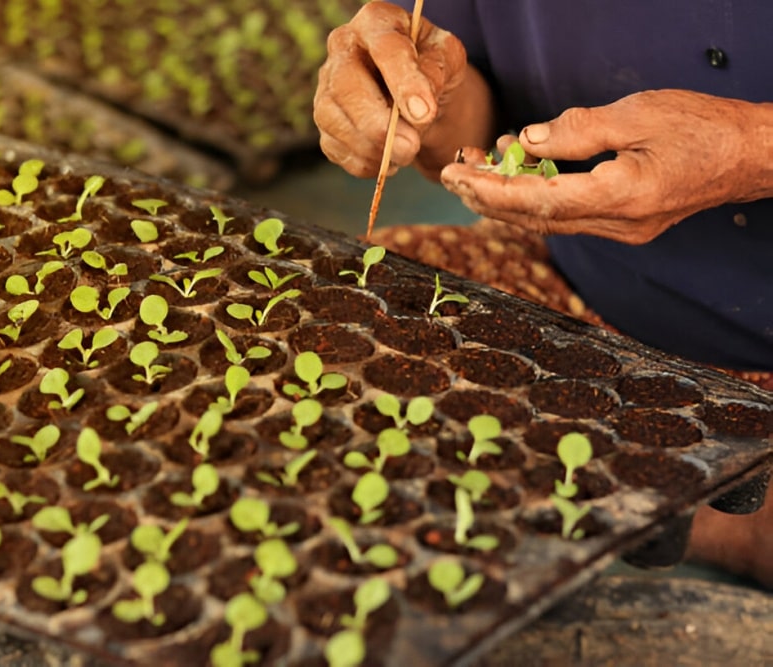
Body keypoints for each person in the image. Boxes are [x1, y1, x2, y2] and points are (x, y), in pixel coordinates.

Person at [313, 1, 773, 588]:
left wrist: (754, 147)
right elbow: (478, 120)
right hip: (582, 288)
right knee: (337, 336)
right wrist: (425, 102)